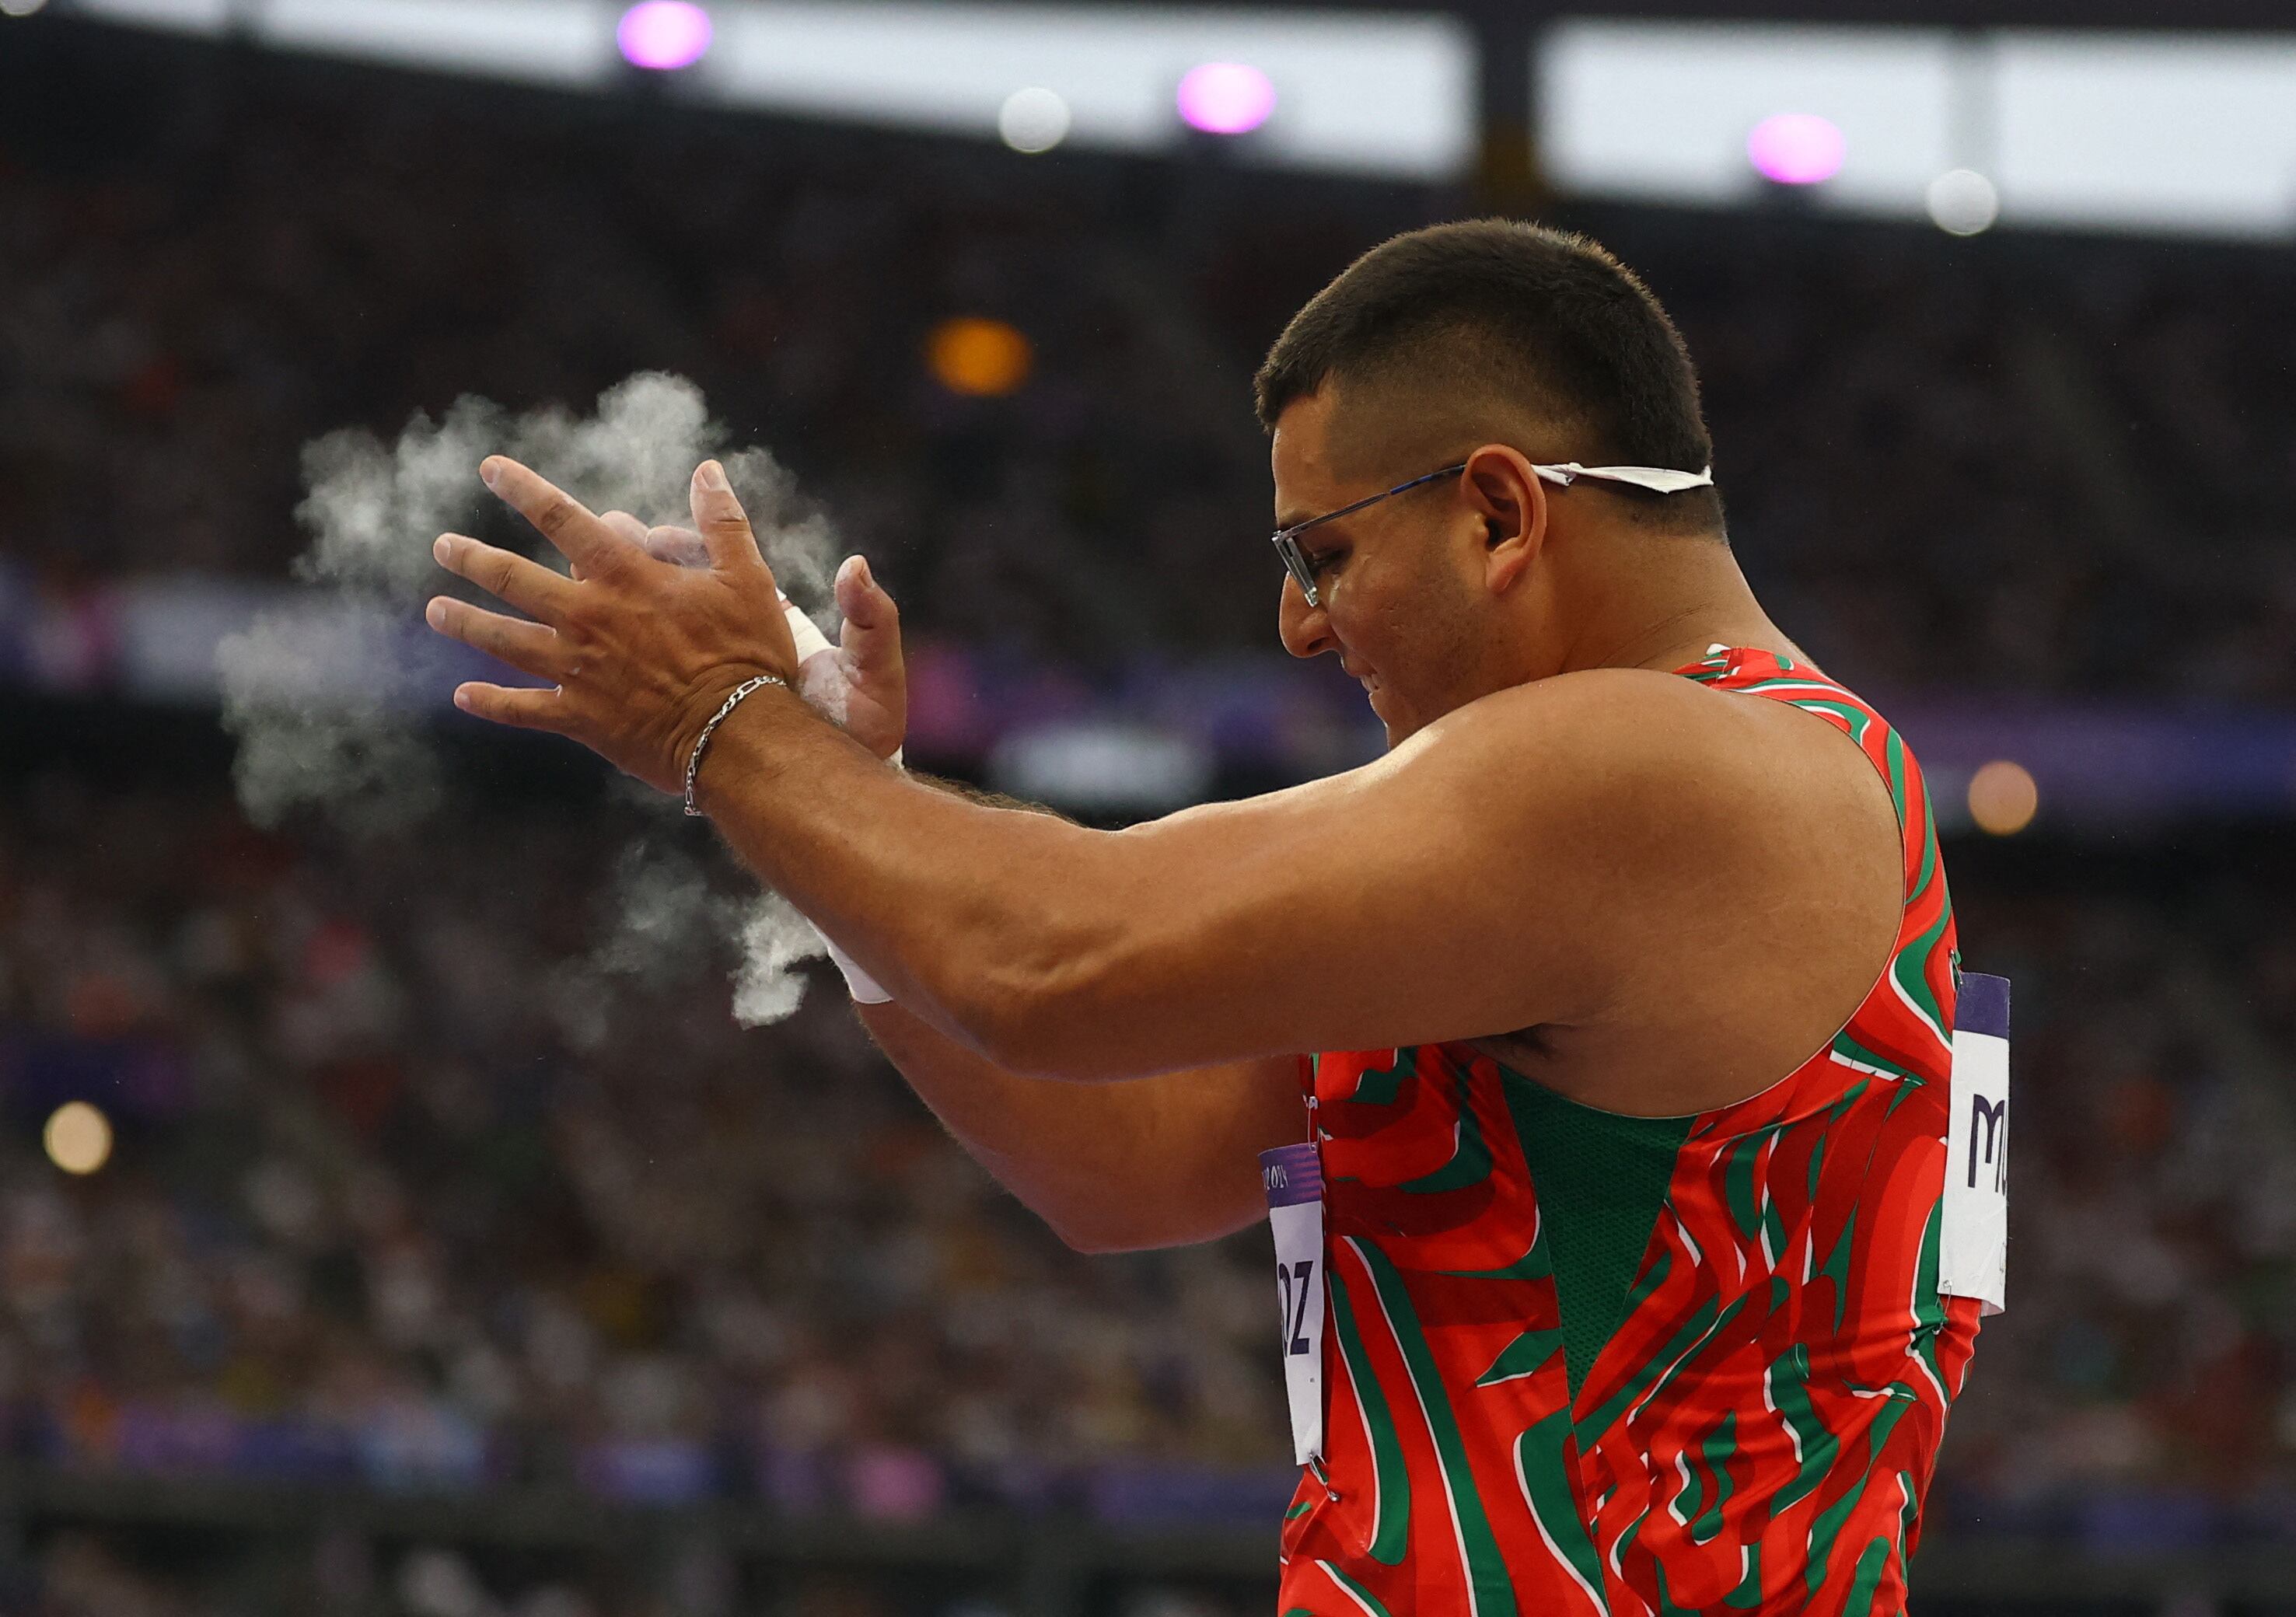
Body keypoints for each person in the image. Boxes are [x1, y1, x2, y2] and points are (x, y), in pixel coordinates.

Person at [426, 219, 1988, 1614]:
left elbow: (1049, 960)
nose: (1301, 624)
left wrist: (727, 724)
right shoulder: (1716, 809)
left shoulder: (1655, 768)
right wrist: (843, 811)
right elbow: (1132, 1160)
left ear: (1500, 514)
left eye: (1325, 553)